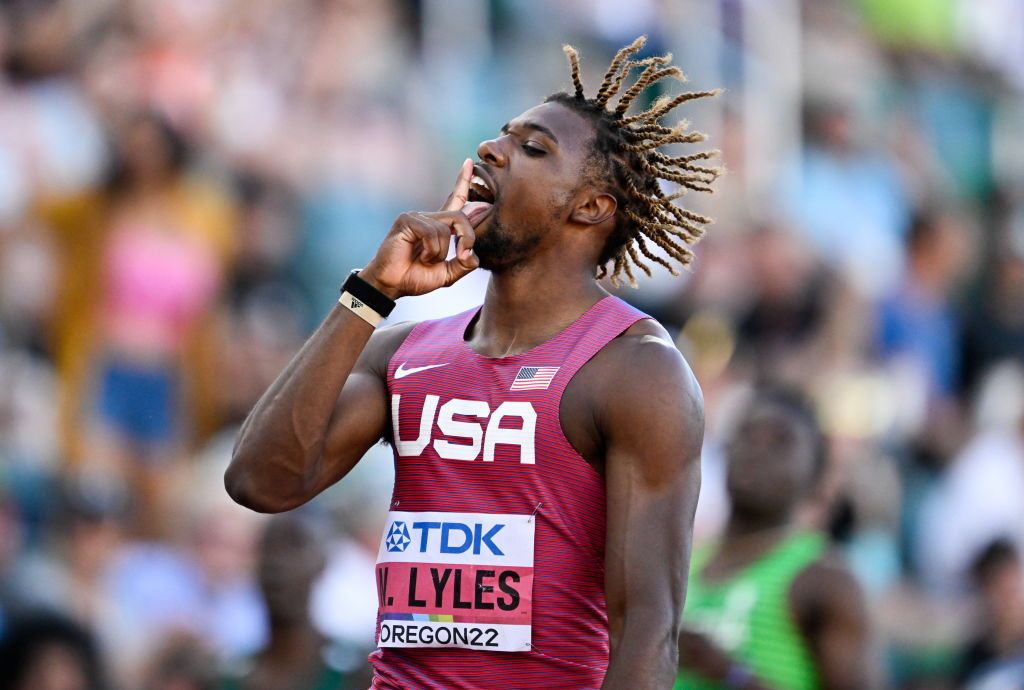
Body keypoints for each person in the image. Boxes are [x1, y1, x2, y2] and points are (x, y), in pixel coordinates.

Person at [226, 36, 719, 689]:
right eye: (500, 137)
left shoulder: (634, 370)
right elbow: (261, 482)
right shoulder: (404, 350)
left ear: (591, 205)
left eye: (533, 148)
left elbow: (648, 631)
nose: (492, 150)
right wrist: (369, 293)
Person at [675, 387, 874, 690]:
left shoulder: (824, 580)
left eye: (781, 442)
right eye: (746, 434)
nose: (757, 450)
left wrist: (730, 674)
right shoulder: (683, 563)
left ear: (816, 478)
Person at [218, 515, 361, 690]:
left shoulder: (358, 673)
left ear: (322, 562)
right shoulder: (228, 675)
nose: (277, 563)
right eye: (267, 548)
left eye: (294, 546)